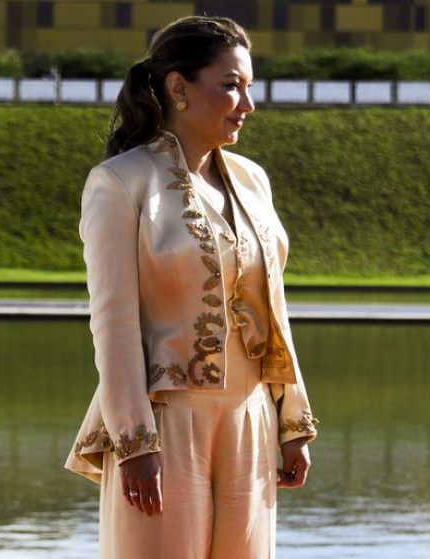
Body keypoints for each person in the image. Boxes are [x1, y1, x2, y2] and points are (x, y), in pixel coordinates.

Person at [64, 15, 318, 558]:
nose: (247, 104)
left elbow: (274, 302)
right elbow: (113, 321)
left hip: (251, 416)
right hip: (165, 417)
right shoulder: (120, 181)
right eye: (231, 86)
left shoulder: (252, 180)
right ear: (180, 88)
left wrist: (291, 417)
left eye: (249, 86)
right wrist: (134, 442)